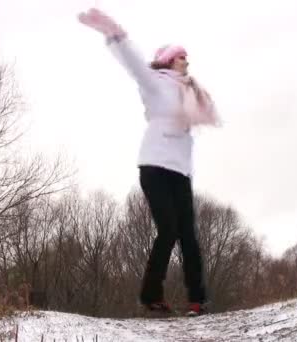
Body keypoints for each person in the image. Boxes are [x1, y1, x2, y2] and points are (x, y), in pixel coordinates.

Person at [77, 8, 220, 317]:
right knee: (168, 230)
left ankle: (198, 299)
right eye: (182, 56)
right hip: (154, 166)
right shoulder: (156, 83)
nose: (187, 61)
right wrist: (114, 34)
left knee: (189, 236)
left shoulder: (191, 92)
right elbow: (133, 64)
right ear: (169, 60)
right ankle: (150, 295)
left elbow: (209, 116)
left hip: (180, 171)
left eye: (187, 57)